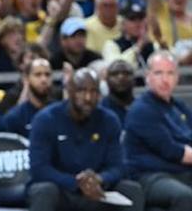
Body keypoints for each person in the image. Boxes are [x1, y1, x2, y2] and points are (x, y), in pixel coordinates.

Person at [28, 68, 144, 211]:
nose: (88, 98)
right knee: (44, 190)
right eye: (81, 91)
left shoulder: (109, 120)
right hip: (62, 189)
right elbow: (39, 169)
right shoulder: (46, 119)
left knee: (132, 189)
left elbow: (118, 167)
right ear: (69, 91)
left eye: (94, 91)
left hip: (98, 190)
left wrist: (100, 179)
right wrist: (76, 182)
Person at [123, 51, 192, 211]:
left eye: (170, 73)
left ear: (177, 77)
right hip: (149, 176)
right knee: (184, 196)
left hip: (182, 172)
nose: (165, 79)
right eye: (158, 73)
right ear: (148, 77)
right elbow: (172, 151)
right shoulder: (142, 109)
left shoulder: (179, 106)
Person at [3, 58, 54, 137]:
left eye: (47, 75)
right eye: (38, 75)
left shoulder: (60, 113)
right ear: (26, 79)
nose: (44, 80)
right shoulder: (14, 118)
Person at [101, 3, 154, 68]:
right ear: (123, 24)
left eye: (140, 19)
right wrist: (138, 46)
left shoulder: (152, 44)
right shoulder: (111, 44)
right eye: (132, 19)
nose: (137, 24)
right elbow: (116, 66)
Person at [100, 60, 135, 125]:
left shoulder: (142, 107)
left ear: (134, 79)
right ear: (107, 80)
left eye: (126, 73)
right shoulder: (100, 109)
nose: (121, 77)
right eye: (115, 74)